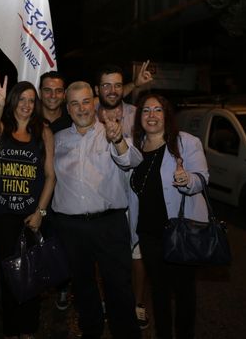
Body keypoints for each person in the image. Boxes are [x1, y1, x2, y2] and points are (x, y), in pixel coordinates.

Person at [52, 81, 142, 339]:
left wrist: (118, 141)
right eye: (74, 103)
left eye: (85, 101)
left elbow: (130, 161)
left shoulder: (112, 131)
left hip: (109, 225)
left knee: (118, 288)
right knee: (82, 287)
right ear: (68, 108)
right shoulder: (58, 139)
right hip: (71, 227)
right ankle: (90, 332)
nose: (81, 108)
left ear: (94, 103)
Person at [130, 93, 209, 339]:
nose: (151, 115)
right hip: (148, 233)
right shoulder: (134, 146)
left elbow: (202, 178)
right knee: (159, 292)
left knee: (184, 292)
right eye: (145, 110)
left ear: (166, 115)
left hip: (180, 231)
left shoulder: (186, 142)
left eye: (157, 110)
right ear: (139, 116)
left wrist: (188, 180)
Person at [0, 77, 56, 339]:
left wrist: (40, 212)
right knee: (8, 277)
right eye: (21, 99)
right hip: (3, 215)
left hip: (31, 216)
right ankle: (11, 331)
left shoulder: (43, 132)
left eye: (31, 100)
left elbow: (50, 176)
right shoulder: (2, 128)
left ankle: (28, 331)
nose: (27, 104)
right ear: (13, 101)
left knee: (31, 276)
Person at [94, 64, 152, 329]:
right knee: (101, 254)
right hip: (102, 196)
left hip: (135, 196)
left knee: (137, 253)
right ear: (98, 90)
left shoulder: (136, 114)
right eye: (106, 85)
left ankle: (138, 304)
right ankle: (104, 301)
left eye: (117, 85)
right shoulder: (88, 114)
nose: (112, 90)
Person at [37, 70, 72, 311]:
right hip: (32, 195)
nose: (53, 95)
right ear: (40, 92)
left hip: (62, 197)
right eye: (48, 90)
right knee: (34, 246)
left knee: (61, 247)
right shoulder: (28, 115)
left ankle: (62, 288)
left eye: (58, 90)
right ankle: (33, 287)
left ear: (64, 93)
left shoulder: (72, 119)